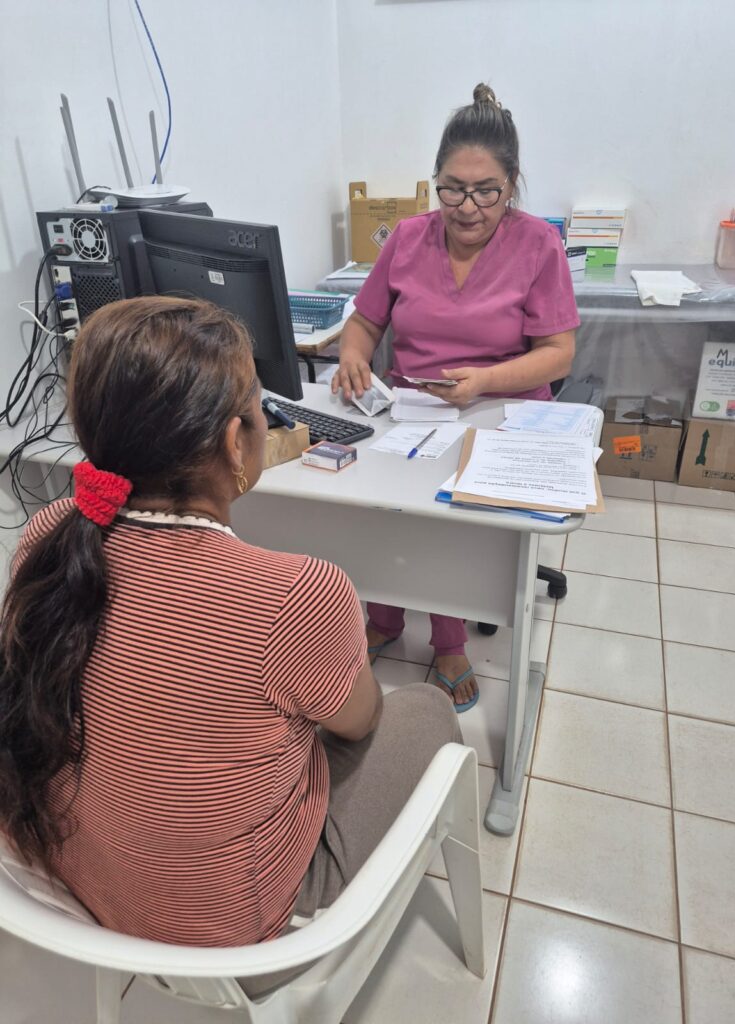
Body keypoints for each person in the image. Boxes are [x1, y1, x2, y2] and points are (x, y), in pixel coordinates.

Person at [0, 296, 460, 950]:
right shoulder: (300, 593)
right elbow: (360, 724)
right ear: (233, 443)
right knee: (422, 708)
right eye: (258, 409)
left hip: (73, 884)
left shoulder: (47, 538)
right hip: (225, 935)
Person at [332, 83, 580, 712]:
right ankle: (385, 611)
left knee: (454, 521)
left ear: (512, 184)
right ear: (435, 181)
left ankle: (448, 642)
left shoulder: (538, 245)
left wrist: (483, 381)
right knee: (381, 504)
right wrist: (356, 354)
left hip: (504, 410)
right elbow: (364, 322)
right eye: (451, 189)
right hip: (415, 411)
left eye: (486, 192)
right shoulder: (409, 238)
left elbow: (558, 352)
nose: (467, 207)